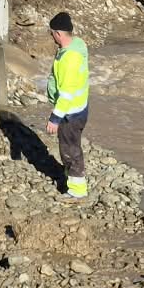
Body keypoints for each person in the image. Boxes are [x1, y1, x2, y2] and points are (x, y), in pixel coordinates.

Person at [46, 11, 91, 199]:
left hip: (70, 113)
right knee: (71, 147)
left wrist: (55, 119)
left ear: (58, 34)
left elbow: (66, 93)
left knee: (70, 151)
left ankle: (77, 191)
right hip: (79, 108)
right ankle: (71, 178)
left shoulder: (68, 59)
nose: (51, 37)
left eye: (52, 33)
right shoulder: (77, 45)